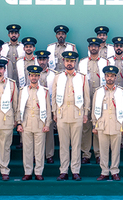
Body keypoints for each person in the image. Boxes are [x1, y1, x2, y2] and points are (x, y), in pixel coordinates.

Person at [52, 51, 91, 181]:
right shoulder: (58, 77)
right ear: (64, 62)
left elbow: (87, 97)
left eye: (72, 61)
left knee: (76, 144)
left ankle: (75, 170)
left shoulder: (82, 77)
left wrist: (86, 113)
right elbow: (53, 96)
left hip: (77, 114)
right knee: (63, 145)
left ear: (75, 62)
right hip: (62, 114)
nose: (69, 63)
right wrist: (54, 112)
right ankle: (63, 171)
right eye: (67, 61)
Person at [93, 65, 123, 181]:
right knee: (103, 150)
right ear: (104, 77)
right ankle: (104, 171)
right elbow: (94, 109)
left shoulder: (121, 92)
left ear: (115, 77)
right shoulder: (98, 92)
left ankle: (114, 171)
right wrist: (94, 125)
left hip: (116, 124)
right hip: (102, 124)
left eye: (112, 76)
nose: (109, 78)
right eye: (107, 76)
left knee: (115, 150)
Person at [78, 37, 109, 164]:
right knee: (86, 127)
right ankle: (86, 153)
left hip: (101, 99)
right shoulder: (82, 62)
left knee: (99, 126)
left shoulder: (106, 63)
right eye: (91, 46)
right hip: (85, 98)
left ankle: (99, 153)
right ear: (89, 48)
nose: (94, 48)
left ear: (99, 48)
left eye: (96, 46)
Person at [17, 65, 51, 181]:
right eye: (32, 75)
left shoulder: (44, 91)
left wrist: (47, 124)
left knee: (39, 150)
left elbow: (48, 108)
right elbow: (19, 108)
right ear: (29, 76)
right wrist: (19, 123)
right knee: (27, 149)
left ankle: (38, 172)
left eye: (36, 75)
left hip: (39, 123)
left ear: (39, 77)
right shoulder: (23, 91)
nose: (34, 78)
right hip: (26, 123)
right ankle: (27, 172)